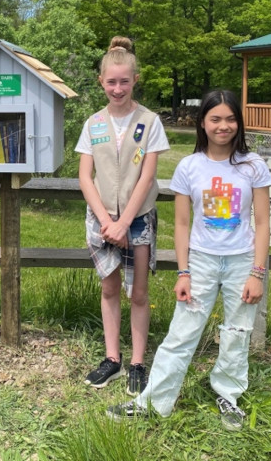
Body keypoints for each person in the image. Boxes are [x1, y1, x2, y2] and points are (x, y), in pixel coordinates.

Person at [107, 89, 271, 430]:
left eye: (231, 119)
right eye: (216, 119)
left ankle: (228, 394)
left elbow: (262, 222)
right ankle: (153, 402)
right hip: (201, 262)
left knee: (237, 331)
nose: (223, 126)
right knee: (181, 333)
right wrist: (183, 272)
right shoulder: (189, 167)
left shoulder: (253, 165)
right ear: (202, 123)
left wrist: (257, 273)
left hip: (242, 261)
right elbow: (182, 225)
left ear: (239, 123)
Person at [76, 36, 170, 396]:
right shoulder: (93, 124)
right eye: (111, 82)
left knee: (139, 292)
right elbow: (86, 176)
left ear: (135, 80)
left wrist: (124, 222)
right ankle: (112, 358)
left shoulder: (150, 121)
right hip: (102, 220)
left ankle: (138, 362)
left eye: (124, 82)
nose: (118, 89)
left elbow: (147, 176)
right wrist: (106, 221)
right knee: (109, 287)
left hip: (137, 219)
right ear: (101, 81)